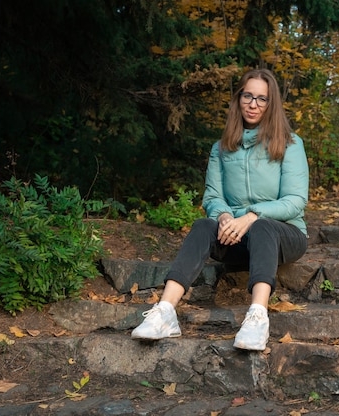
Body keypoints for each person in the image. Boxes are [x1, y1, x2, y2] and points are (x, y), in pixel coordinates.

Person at [131, 68, 309, 351]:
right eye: (248, 96)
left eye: (262, 99)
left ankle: (257, 317)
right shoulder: (222, 147)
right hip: (235, 235)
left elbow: (295, 201)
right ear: (238, 98)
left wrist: (251, 216)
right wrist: (226, 217)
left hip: (283, 234)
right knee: (203, 225)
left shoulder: (290, 143)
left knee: (262, 226)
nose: (253, 104)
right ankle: (165, 312)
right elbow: (213, 196)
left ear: (271, 103)